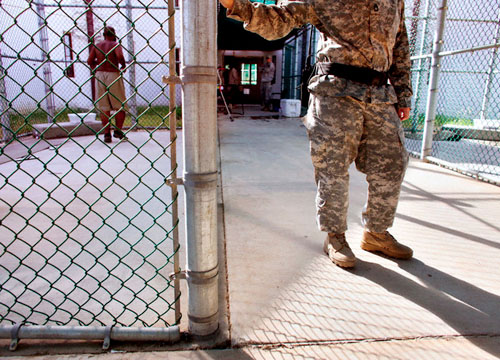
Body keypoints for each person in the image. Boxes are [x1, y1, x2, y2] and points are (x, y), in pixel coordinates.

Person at [219, 0, 413, 268]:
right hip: (336, 90)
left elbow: (400, 42)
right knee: (332, 167)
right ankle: (335, 236)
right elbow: (279, 19)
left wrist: (403, 93)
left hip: (380, 93)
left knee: (392, 162)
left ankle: (376, 233)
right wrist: (235, 4)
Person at [87, 26, 128, 143]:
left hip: (100, 74)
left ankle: (106, 134)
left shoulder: (97, 45)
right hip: (113, 73)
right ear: (113, 34)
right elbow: (119, 56)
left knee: (104, 106)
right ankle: (118, 130)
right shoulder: (115, 44)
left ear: (104, 34)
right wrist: (123, 65)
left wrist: (99, 63)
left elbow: (89, 61)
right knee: (119, 104)